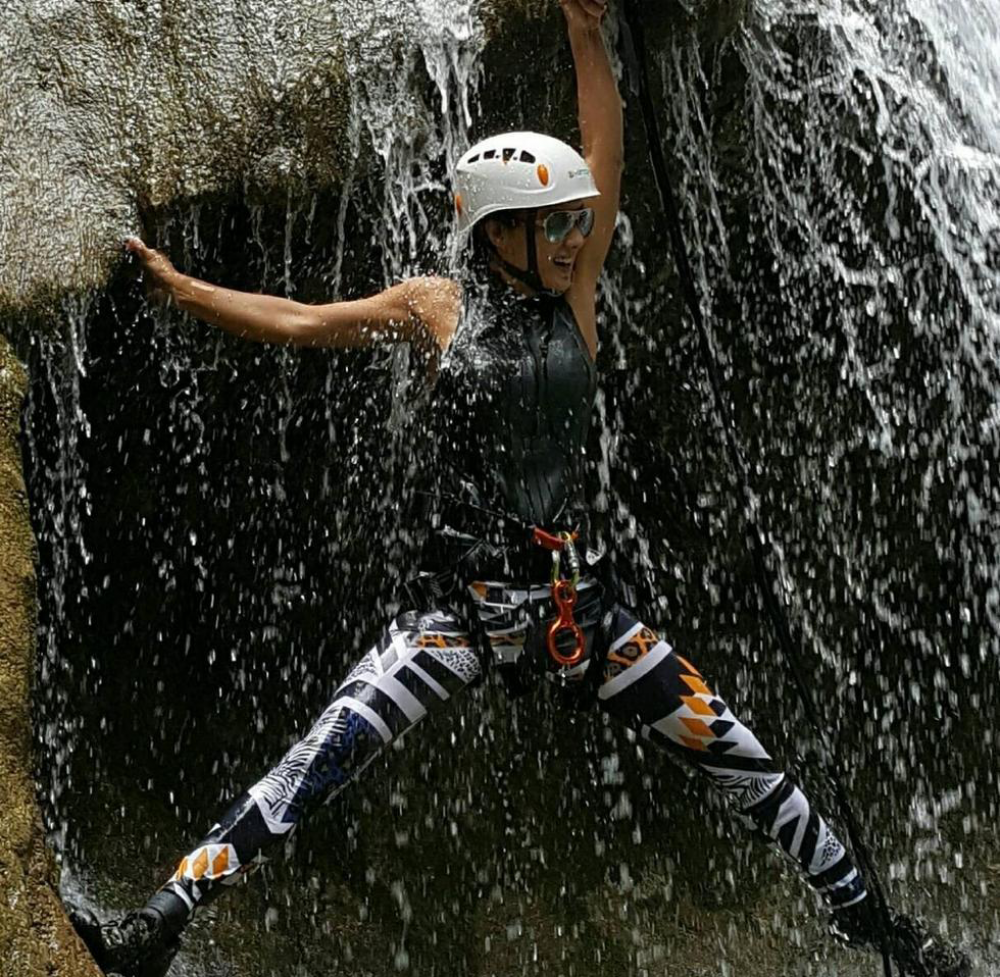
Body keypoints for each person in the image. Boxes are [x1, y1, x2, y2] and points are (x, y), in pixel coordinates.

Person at [68, 2, 971, 975]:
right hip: (457, 611)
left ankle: (881, 930)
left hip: (575, 603)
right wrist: (184, 288)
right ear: (499, 232)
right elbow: (297, 320)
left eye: (575, 221)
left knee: (746, 762)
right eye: (553, 224)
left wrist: (588, 36)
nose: (576, 234)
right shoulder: (434, 307)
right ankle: (159, 919)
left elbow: (604, 154)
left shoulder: (574, 292)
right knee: (317, 758)